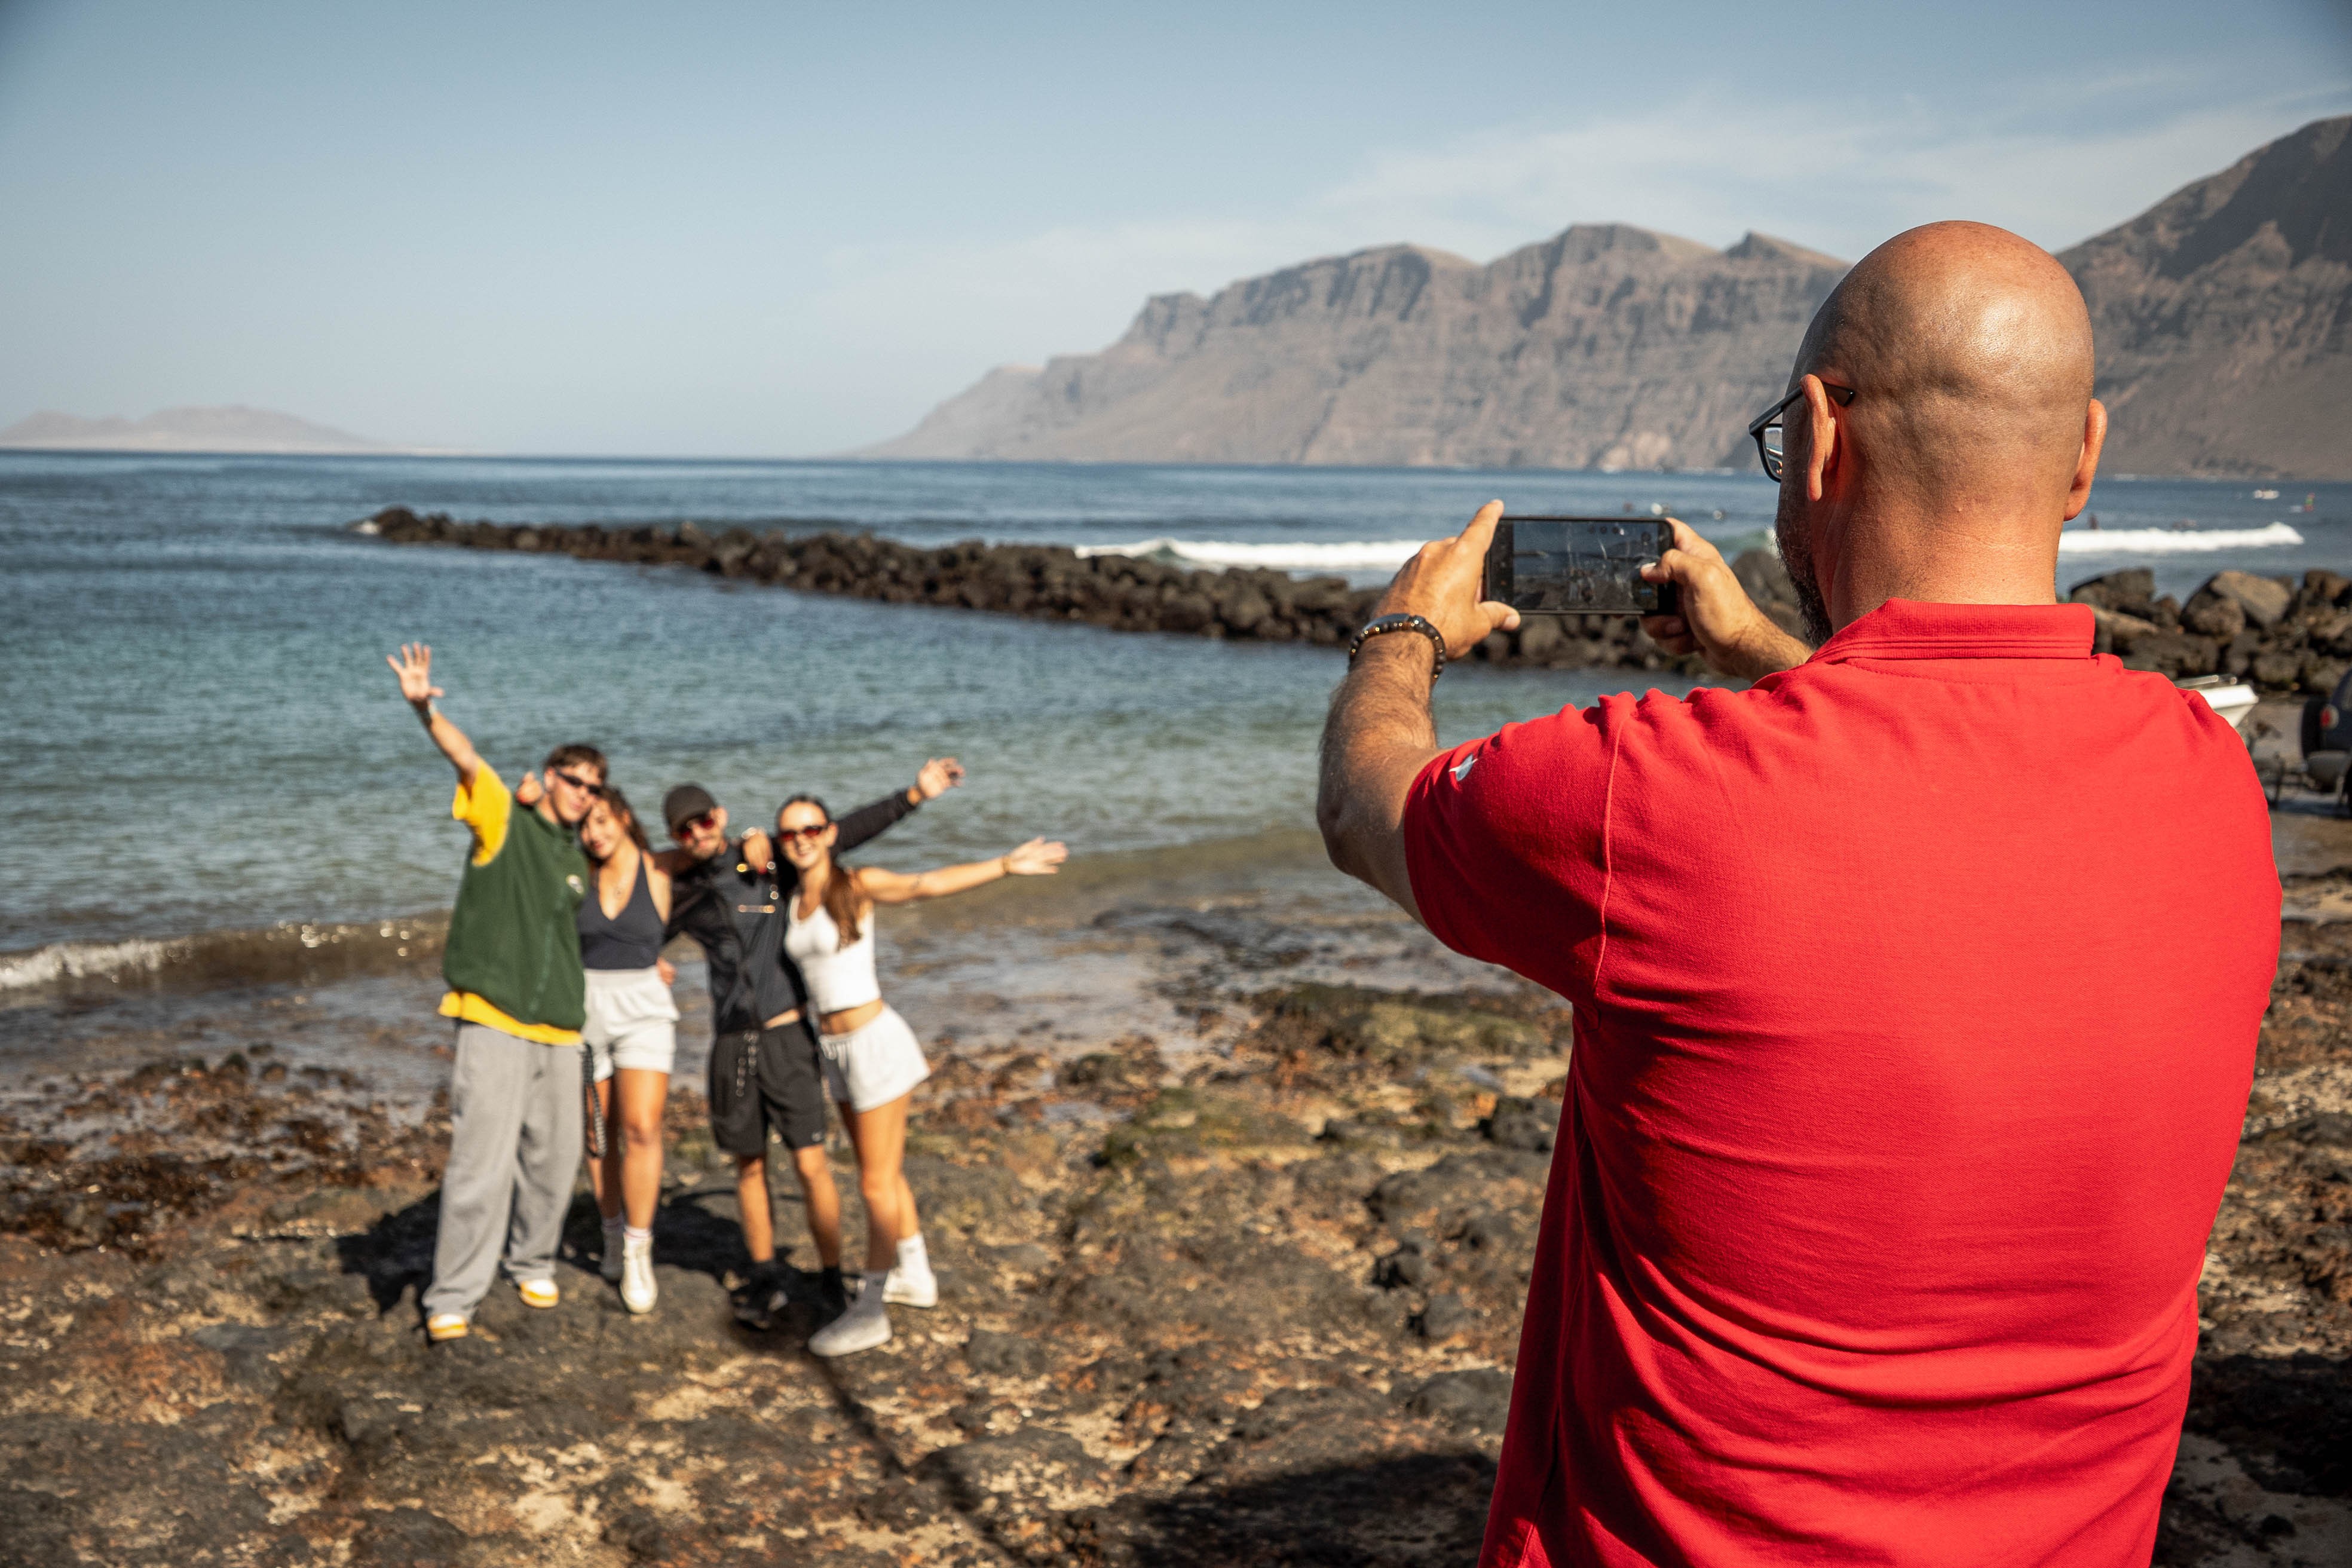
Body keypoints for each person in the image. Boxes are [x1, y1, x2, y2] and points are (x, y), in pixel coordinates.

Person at [1317, 222, 2278, 1566]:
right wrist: (1763, 651)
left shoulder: (1645, 798)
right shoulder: (2211, 783)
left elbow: (1370, 811)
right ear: (2083, 460)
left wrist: (1402, 630)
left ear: (1822, 436)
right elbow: (1936, 770)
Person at [657, 760, 963, 1330]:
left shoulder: (768, 861)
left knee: (811, 1163)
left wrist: (915, 795)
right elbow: (637, 929)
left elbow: (838, 833)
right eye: (683, 830)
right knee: (749, 1165)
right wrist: (647, 954)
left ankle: (830, 1275)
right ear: (674, 837)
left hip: (791, 1035)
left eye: (703, 822)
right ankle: (766, 1271)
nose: (697, 834)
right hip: (731, 1041)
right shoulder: (683, 893)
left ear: (719, 818)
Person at [768, 793, 1066, 1356]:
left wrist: (1004, 865)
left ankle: (871, 1309)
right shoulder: (789, 898)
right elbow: (735, 873)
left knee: (875, 1183)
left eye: (812, 828)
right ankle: (915, 1274)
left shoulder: (855, 885)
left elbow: (926, 884)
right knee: (880, 1171)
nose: (801, 839)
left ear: (831, 833)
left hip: (875, 1044)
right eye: (789, 834)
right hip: (834, 1051)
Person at [386, 643, 611, 1345]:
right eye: (576, 782)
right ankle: (453, 1292)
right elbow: (467, 759)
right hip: (492, 1015)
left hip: (560, 1028)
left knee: (554, 1159)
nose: (585, 794)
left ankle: (533, 1258)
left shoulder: (578, 856)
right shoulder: (503, 821)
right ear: (548, 778)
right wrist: (426, 708)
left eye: (596, 788)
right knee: (482, 1162)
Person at [577, 784, 677, 1314]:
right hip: (586, 1008)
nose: (594, 834)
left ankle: (640, 1247)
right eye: (585, 825)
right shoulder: (577, 875)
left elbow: (739, 879)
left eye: (602, 821)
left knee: (641, 1126)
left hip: (644, 1007)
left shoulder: (660, 868)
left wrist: (755, 846)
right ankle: (611, 1230)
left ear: (623, 816)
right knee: (598, 1134)